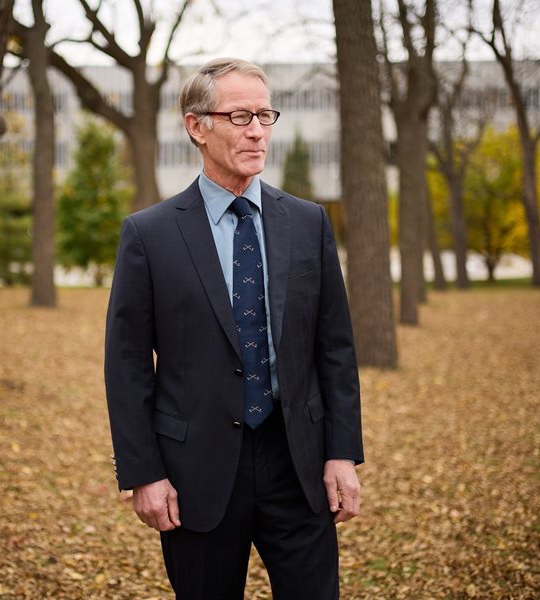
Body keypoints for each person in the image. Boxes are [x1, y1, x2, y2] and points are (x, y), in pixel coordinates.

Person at [104, 57, 363, 599]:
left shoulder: (309, 221)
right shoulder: (149, 235)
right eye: (240, 115)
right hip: (195, 471)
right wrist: (143, 473)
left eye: (265, 116)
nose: (256, 131)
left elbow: (334, 348)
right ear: (197, 126)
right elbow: (127, 367)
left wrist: (342, 452)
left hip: (299, 463)